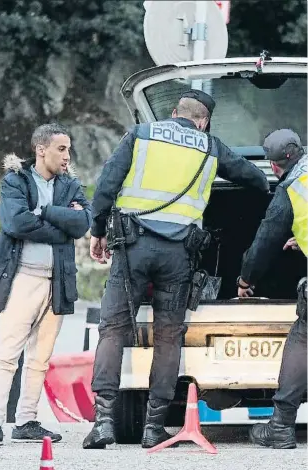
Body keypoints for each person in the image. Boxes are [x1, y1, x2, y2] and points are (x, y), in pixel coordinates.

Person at [82, 89, 271, 450]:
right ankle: (154, 427)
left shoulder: (140, 135)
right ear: (203, 121)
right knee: (169, 337)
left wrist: (98, 232)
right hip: (178, 255)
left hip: (132, 249)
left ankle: (103, 422)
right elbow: (255, 179)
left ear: (172, 113)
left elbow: (107, 185)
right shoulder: (209, 145)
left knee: (113, 329)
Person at [0, 123, 91, 446]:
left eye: (69, 149)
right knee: (7, 352)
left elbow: (83, 223)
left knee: (41, 357)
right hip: (23, 277)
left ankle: (26, 419)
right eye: (61, 149)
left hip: (58, 281)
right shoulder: (17, 179)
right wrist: (61, 224)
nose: (68, 156)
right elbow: (15, 222)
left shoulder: (71, 185)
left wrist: (46, 212)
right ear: (41, 149)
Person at [236, 128, 307, 449]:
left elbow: (265, 240)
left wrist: (246, 279)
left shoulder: (292, 187)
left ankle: (280, 425)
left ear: (275, 166)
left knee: (303, 339)